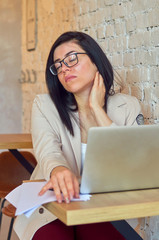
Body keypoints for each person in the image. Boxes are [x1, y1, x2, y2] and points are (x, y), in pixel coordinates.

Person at [14, 31, 144, 240]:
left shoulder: (127, 106)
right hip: (54, 205)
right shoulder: (45, 105)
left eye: (72, 58)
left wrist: (96, 109)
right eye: (58, 65)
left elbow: (132, 165)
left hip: (105, 206)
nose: (64, 68)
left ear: (95, 60)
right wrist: (59, 170)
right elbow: (47, 150)